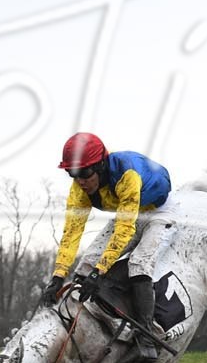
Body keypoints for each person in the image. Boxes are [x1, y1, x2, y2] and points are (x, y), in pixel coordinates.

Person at [43, 131, 173, 349]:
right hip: (129, 210)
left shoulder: (127, 174)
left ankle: (147, 335)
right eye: (72, 173)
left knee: (138, 263)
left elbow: (124, 230)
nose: (80, 181)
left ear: (101, 166)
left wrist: (99, 272)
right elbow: (72, 232)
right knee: (87, 262)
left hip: (159, 211)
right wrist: (58, 276)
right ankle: (89, 328)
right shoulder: (79, 188)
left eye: (84, 173)